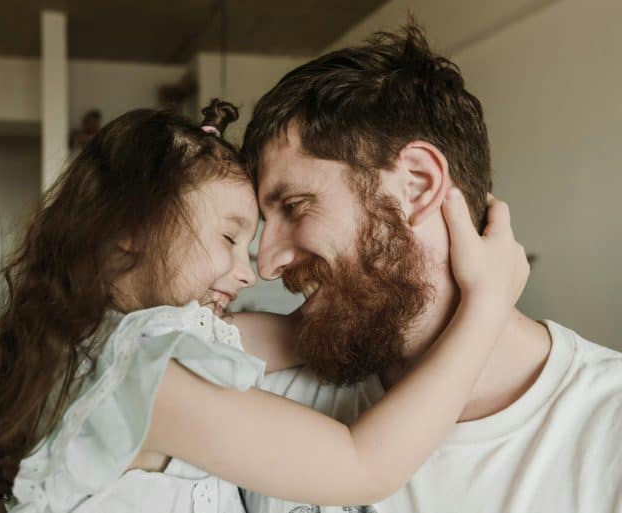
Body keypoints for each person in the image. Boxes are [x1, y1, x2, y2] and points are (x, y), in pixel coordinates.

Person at [0, 98, 526, 513]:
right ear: (127, 232)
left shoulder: (136, 343)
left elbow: (300, 333)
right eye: (229, 238)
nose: (252, 270)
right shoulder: (142, 380)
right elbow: (362, 465)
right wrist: (485, 306)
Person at [239, 22, 622, 513]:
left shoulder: (606, 427)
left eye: (294, 206)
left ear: (418, 183)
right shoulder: (260, 398)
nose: (266, 264)